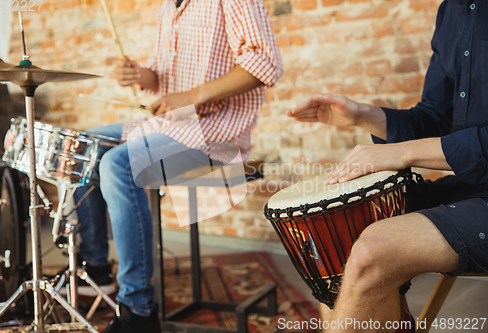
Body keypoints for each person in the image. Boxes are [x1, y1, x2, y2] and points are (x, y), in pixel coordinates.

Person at [73, 0, 282, 332]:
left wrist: (193, 95)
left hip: (216, 134)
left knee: (117, 165)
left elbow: (265, 63)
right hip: (171, 124)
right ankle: (97, 268)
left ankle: (138, 311)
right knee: (81, 146)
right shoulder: (169, 6)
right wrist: (142, 75)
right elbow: (162, 78)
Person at [286, 1, 487, 332]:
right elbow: (437, 116)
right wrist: (364, 115)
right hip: (471, 187)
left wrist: (402, 153)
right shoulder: (451, 9)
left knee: (372, 251)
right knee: (335, 228)